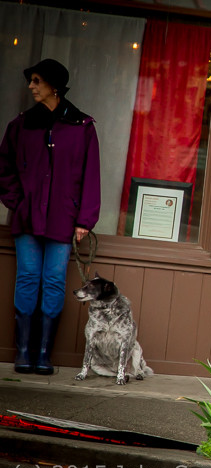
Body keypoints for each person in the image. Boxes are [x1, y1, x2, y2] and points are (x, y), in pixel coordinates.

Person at [0, 59, 101, 375]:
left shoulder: (82, 127)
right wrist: (18, 202)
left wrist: (84, 219)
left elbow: (91, 175)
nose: (31, 86)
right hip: (27, 217)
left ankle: (44, 353)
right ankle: (23, 351)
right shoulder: (20, 125)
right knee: (28, 277)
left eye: (37, 80)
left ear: (54, 86)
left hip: (63, 217)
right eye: (31, 80)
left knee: (54, 280)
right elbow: (4, 168)